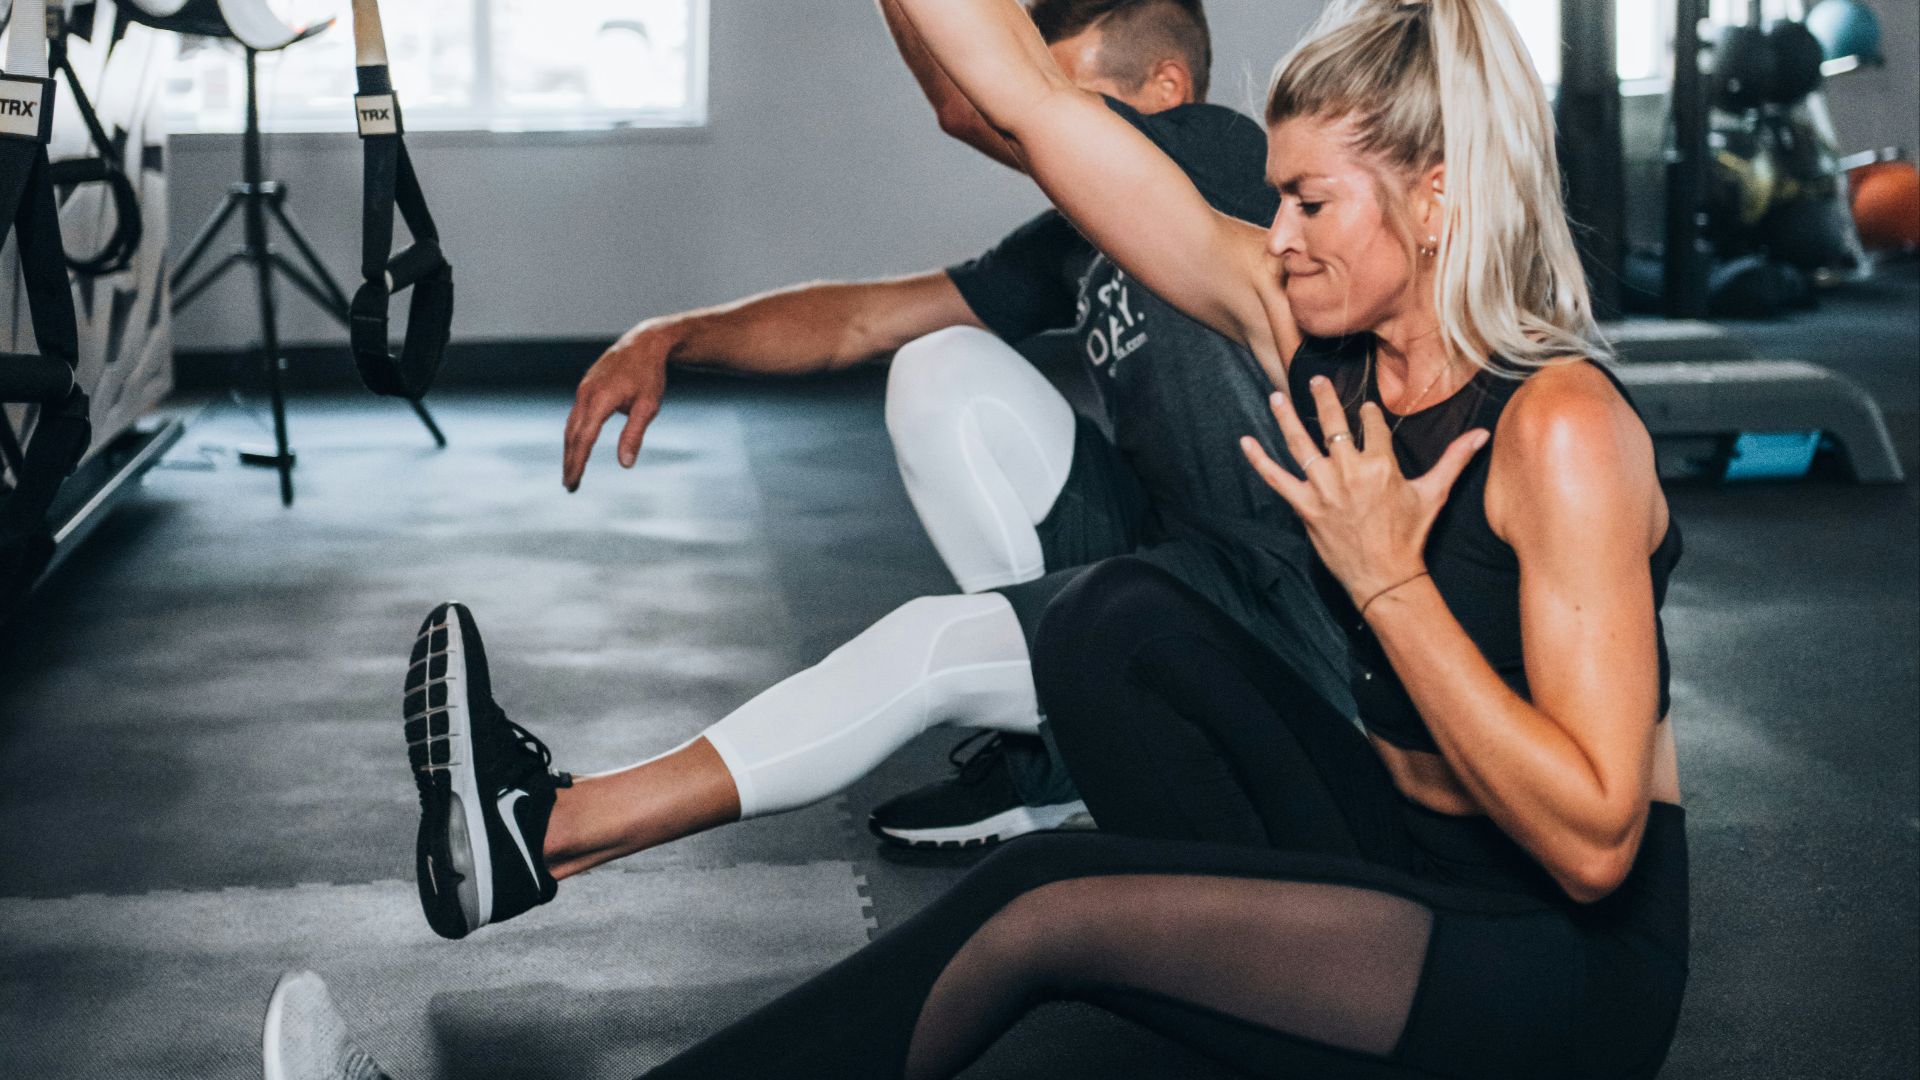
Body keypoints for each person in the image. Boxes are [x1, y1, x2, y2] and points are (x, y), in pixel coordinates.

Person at [278, 0, 1689, 1075]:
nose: (1279, 233)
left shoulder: (1559, 429)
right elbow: (1022, 96)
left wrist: (1387, 581)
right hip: (1394, 848)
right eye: (1280, 199)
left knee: (1040, 907)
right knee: (1109, 615)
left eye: (1311, 202)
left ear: (1435, 202)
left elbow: (1593, 845)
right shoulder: (1315, 334)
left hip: (1556, 969)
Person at [407, 0, 1361, 943]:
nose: (1067, 144)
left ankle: (548, 828)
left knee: (928, 649)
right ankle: (1060, 750)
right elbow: (861, 322)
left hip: (1277, 612)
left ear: (1167, 88)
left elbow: (985, 106)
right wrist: (675, 335)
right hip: (1169, 558)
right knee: (939, 365)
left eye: (1083, 102)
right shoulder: (1079, 243)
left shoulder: (1224, 158)